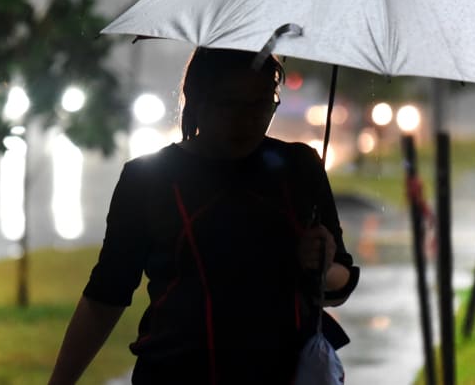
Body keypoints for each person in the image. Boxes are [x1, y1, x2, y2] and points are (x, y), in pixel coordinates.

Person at [49, 47, 360, 385]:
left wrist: (321, 265)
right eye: (230, 103)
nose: (247, 119)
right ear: (196, 99)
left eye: (261, 103)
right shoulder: (148, 178)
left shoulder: (299, 168)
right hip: (175, 373)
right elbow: (107, 292)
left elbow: (340, 282)